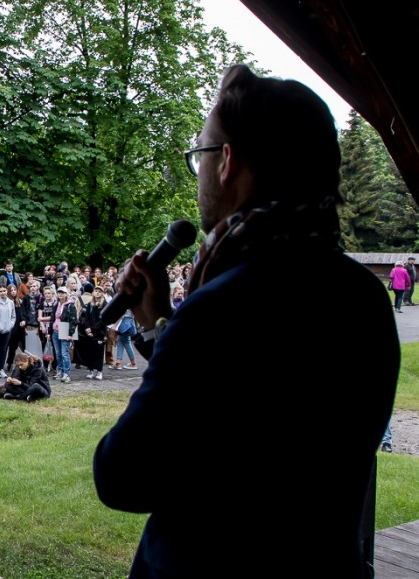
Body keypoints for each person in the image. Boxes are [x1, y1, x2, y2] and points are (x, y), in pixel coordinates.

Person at [93, 65, 400, 578]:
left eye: (201, 155)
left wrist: (179, 325)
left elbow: (122, 476)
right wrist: (160, 324)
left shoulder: (222, 308)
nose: (198, 171)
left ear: (228, 162)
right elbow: (242, 420)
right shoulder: (363, 296)